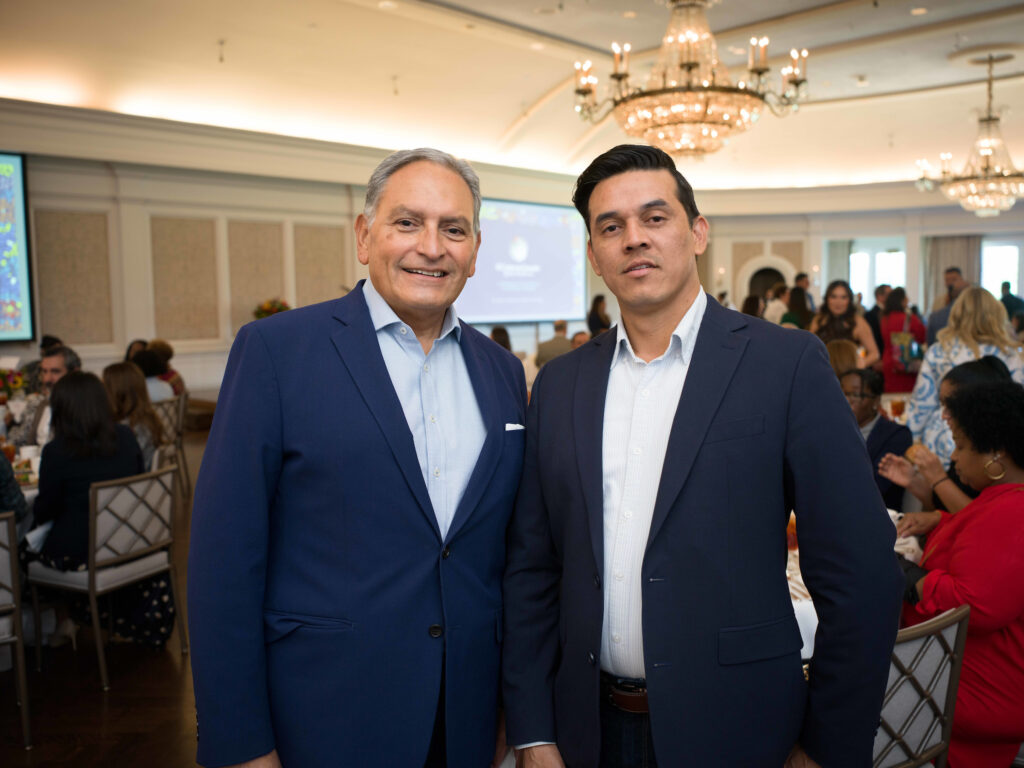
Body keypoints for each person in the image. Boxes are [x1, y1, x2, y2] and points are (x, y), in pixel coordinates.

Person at [503, 144, 901, 768]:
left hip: (741, 731)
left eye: (655, 218)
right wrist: (533, 731)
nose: (634, 238)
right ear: (593, 255)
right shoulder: (560, 385)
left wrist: (825, 750)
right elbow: (532, 568)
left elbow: (861, 576)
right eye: (611, 227)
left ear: (697, 233)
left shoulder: (785, 364)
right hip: (586, 733)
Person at [188, 148, 527, 768]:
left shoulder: (502, 372)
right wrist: (240, 743)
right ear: (364, 236)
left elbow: (500, 559)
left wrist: (510, 710)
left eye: (454, 229)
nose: (432, 246)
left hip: (467, 720)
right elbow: (223, 562)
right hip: (325, 715)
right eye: (407, 223)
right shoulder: (276, 352)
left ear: (475, 251)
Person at [896, 380, 1024, 767]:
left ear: (996, 457)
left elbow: (973, 603)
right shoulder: (1002, 501)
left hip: (973, 696)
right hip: (970, 685)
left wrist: (906, 575)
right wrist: (938, 518)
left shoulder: (1011, 511)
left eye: (962, 446)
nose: (954, 457)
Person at [25, 372, 172, 646]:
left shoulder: (57, 451)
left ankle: (59, 621)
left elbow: (45, 510)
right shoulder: (126, 437)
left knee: (25, 548)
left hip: (83, 554)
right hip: (130, 541)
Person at [881, 357, 1012, 531]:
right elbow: (945, 506)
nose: (943, 415)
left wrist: (938, 478)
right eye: (942, 405)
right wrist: (914, 481)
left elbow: (987, 523)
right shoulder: (967, 441)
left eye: (950, 405)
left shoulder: (996, 452)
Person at [907, 287, 1024, 469]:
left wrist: (909, 444)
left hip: (943, 439)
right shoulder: (1008, 354)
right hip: (993, 444)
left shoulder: (939, 351)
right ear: (997, 315)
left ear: (956, 314)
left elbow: (921, 406)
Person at [839, 368, 912, 509]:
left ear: (876, 401)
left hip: (877, 515)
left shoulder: (897, 435)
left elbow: (873, 487)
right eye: (842, 394)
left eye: (855, 394)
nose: (846, 401)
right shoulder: (831, 429)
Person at [7, 345, 81, 447]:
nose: (47, 379)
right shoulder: (37, 403)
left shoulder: (83, 407)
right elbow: (17, 442)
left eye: (55, 371)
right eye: (44, 371)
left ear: (74, 373)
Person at [102, 361, 166, 469]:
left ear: (115, 392)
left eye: (104, 386)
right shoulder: (148, 419)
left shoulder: (126, 429)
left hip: (128, 483)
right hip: (143, 482)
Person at [809, 279, 880, 367]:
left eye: (843, 297)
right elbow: (809, 348)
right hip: (822, 373)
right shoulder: (819, 320)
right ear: (827, 299)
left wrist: (859, 365)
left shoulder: (858, 322)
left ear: (849, 300)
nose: (838, 302)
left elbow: (874, 353)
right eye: (833, 296)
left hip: (848, 376)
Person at [879, 287, 926, 392]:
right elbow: (922, 337)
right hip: (906, 361)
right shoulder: (909, 318)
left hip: (888, 362)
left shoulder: (885, 319)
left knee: (891, 396)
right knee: (907, 394)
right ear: (902, 300)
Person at [926, 267, 969, 345]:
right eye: (947, 280)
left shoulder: (969, 301)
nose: (950, 283)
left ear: (961, 280)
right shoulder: (938, 301)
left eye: (953, 279)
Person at [864, 284, 891, 361]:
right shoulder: (870, 315)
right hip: (878, 359)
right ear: (879, 296)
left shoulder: (889, 313)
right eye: (889, 295)